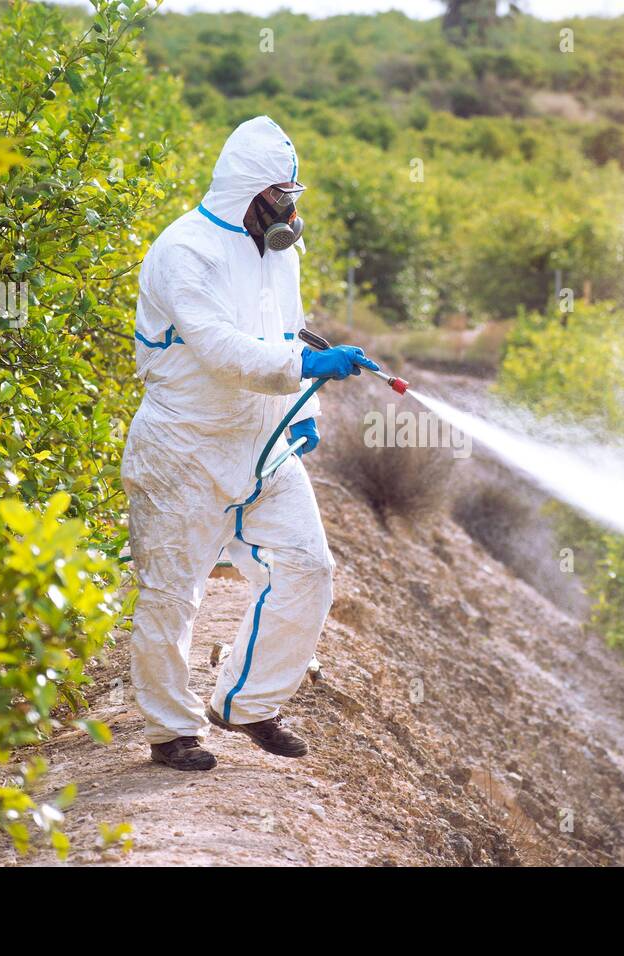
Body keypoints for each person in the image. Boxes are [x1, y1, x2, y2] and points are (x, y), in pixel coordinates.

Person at [121, 116, 378, 771]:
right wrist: (305, 370)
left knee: (309, 569)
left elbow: (288, 335)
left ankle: (246, 705)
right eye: (280, 196)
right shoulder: (184, 251)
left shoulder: (280, 253)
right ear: (250, 191)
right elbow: (221, 351)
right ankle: (171, 731)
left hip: (264, 444)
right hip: (183, 449)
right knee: (172, 593)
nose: (290, 210)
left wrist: (303, 406)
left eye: (295, 196)